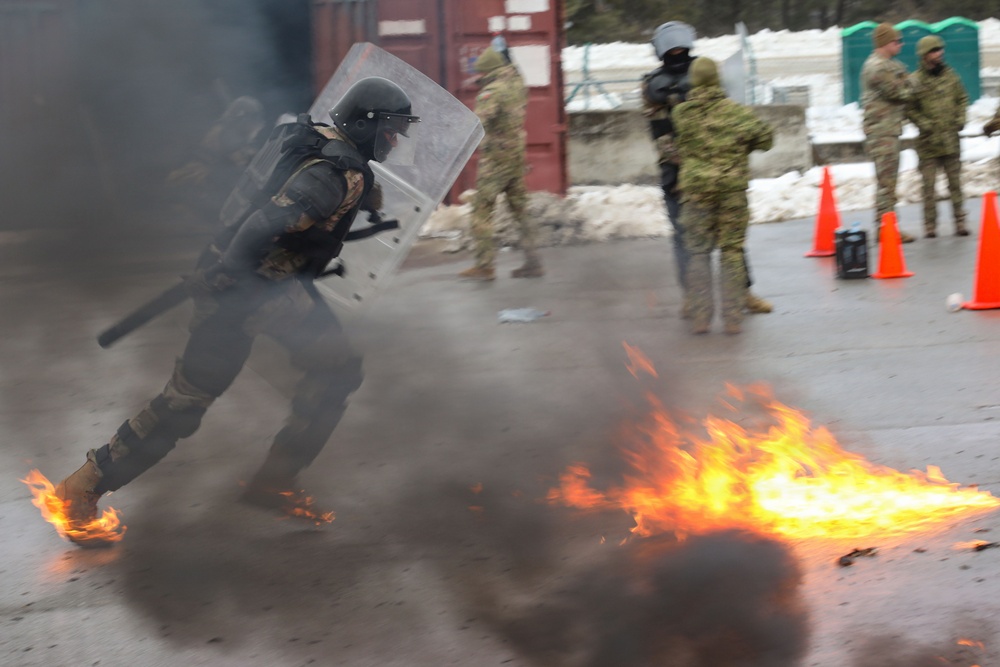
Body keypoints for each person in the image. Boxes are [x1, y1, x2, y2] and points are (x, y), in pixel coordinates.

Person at [55, 77, 421, 545]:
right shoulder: (335, 173)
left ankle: (275, 481)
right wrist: (228, 272)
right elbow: (266, 221)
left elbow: (269, 195)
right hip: (242, 293)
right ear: (366, 124)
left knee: (337, 370)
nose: (395, 139)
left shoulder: (313, 140)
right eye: (390, 129)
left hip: (275, 292)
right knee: (185, 403)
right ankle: (81, 489)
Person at [640, 21, 772, 317]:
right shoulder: (655, 87)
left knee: (725, 237)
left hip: (695, 173)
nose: (676, 54)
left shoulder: (675, 83)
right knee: (695, 240)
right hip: (684, 174)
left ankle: (740, 293)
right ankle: (695, 298)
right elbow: (662, 134)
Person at [672, 57, 773, 335]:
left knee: (698, 252)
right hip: (731, 192)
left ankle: (701, 318)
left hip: (696, 193)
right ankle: (732, 319)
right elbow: (766, 139)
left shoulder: (682, 114)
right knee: (731, 251)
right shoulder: (736, 113)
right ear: (717, 79)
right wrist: (744, 142)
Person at [459, 46, 542, 281]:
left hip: (495, 160)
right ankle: (533, 262)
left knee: (482, 210)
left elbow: (477, 124)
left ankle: (484, 266)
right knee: (520, 210)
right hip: (516, 156)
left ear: (488, 72)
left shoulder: (491, 92)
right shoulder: (517, 83)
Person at [166, 96, 266, 224]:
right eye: (255, 121)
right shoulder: (228, 135)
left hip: (193, 182)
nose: (258, 126)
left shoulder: (223, 129)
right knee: (244, 178)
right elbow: (245, 162)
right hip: (194, 183)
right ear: (245, 120)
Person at [906, 35, 970, 238]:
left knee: (955, 184)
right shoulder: (915, 80)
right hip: (928, 143)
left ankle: (960, 221)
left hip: (950, 140)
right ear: (925, 55)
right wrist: (923, 123)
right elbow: (909, 108)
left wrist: (960, 118)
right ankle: (930, 225)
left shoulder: (951, 76)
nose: (939, 53)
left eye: (940, 50)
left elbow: (962, 97)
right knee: (928, 187)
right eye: (934, 51)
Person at [860, 22, 916, 243]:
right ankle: (886, 228)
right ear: (885, 43)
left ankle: (887, 225)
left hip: (888, 130)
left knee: (888, 182)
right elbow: (899, 92)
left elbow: (903, 82)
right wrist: (910, 82)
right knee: (887, 183)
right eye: (896, 41)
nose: (900, 45)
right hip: (881, 132)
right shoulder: (879, 67)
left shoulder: (888, 65)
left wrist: (905, 79)